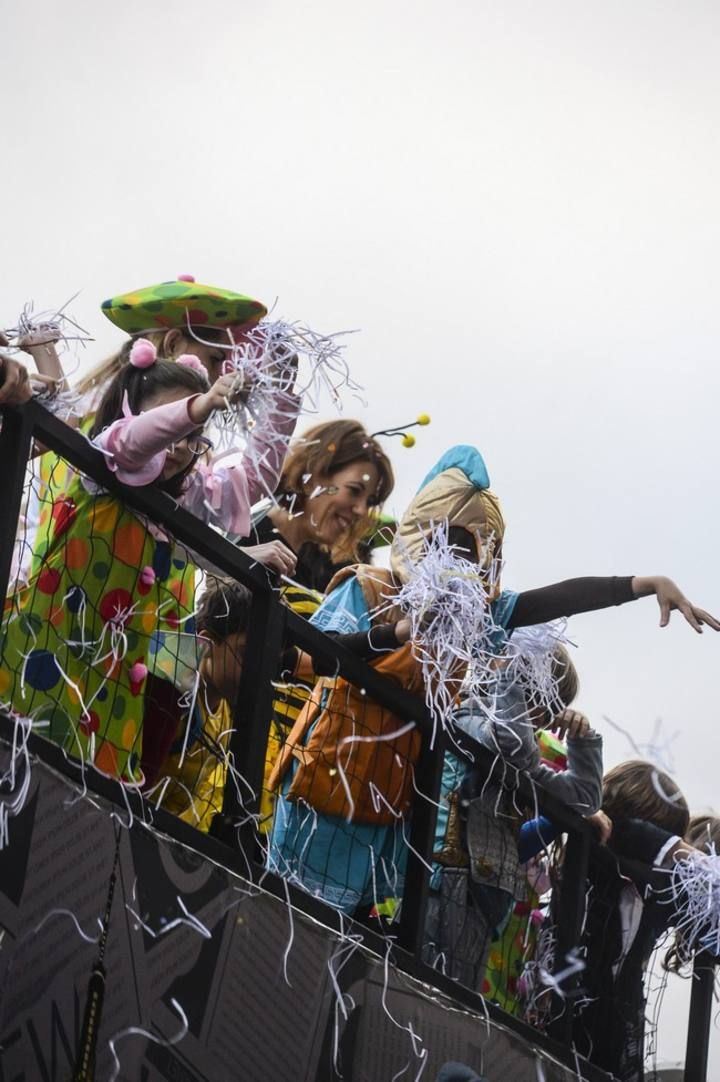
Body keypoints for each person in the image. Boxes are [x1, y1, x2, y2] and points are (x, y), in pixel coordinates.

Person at [266, 444, 718, 916]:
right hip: (327, 783)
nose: (473, 561)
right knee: (287, 917)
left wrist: (643, 585)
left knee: (344, 940)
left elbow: (557, 599)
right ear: (430, 531)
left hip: (393, 805)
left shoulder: (474, 619)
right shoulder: (371, 586)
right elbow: (312, 652)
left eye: (487, 548)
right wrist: (396, 632)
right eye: (461, 542)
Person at [0, 338, 299, 782]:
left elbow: (247, 485)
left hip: (107, 689)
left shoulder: (167, 506)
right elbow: (137, 440)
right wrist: (197, 409)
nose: (179, 445)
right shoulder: (106, 456)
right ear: (127, 409)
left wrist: (283, 394)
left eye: (192, 440)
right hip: (39, 654)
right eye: (170, 426)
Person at [567, 761, 693, 1082]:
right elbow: (623, 836)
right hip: (559, 1021)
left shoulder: (654, 893)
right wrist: (672, 848)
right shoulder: (592, 855)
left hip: (617, 1040)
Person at [240, 418, 395, 592]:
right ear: (312, 476)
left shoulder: (313, 571)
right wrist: (238, 559)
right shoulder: (243, 528)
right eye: (354, 490)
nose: (362, 510)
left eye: (370, 502)